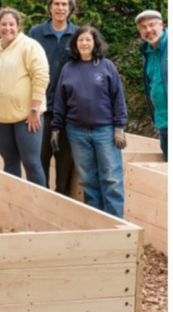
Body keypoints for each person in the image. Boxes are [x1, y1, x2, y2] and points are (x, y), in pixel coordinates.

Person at [51, 26, 128, 217]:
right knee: (87, 180)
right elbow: (60, 100)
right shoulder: (68, 68)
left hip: (105, 131)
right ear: (75, 45)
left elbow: (118, 97)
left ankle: (116, 223)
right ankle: (96, 221)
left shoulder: (106, 66)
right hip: (76, 131)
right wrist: (55, 128)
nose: (84, 43)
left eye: (88, 40)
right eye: (80, 40)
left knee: (111, 178)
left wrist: (119, 127)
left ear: (95, 43)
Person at [0, 7, 50, 186]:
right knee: (10, 162)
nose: (7, 28)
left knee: (31, 162)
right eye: (3, 24)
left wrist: (34, 109)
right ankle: (13, 205)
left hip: (27, 117)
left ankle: (39, 205)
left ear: (18, 26)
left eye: (11, 24)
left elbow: (41, 77)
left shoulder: (29, 46)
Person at [29, 0, 77, 194]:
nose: (60, 8)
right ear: (50, 7)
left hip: (69, 111)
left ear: (70, 8)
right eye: (56, 4)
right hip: (41, 109)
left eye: (64, 4)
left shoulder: (78, 35)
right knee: (40, 160)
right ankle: (42, 202)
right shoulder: (35, 34)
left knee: (66, 162)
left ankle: (63, 201)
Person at [136, 8, 170, 160]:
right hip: (162, 121)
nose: (148, 30)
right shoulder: (147, 52)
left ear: (161, 24)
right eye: (143, 27)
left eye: (152, 24)